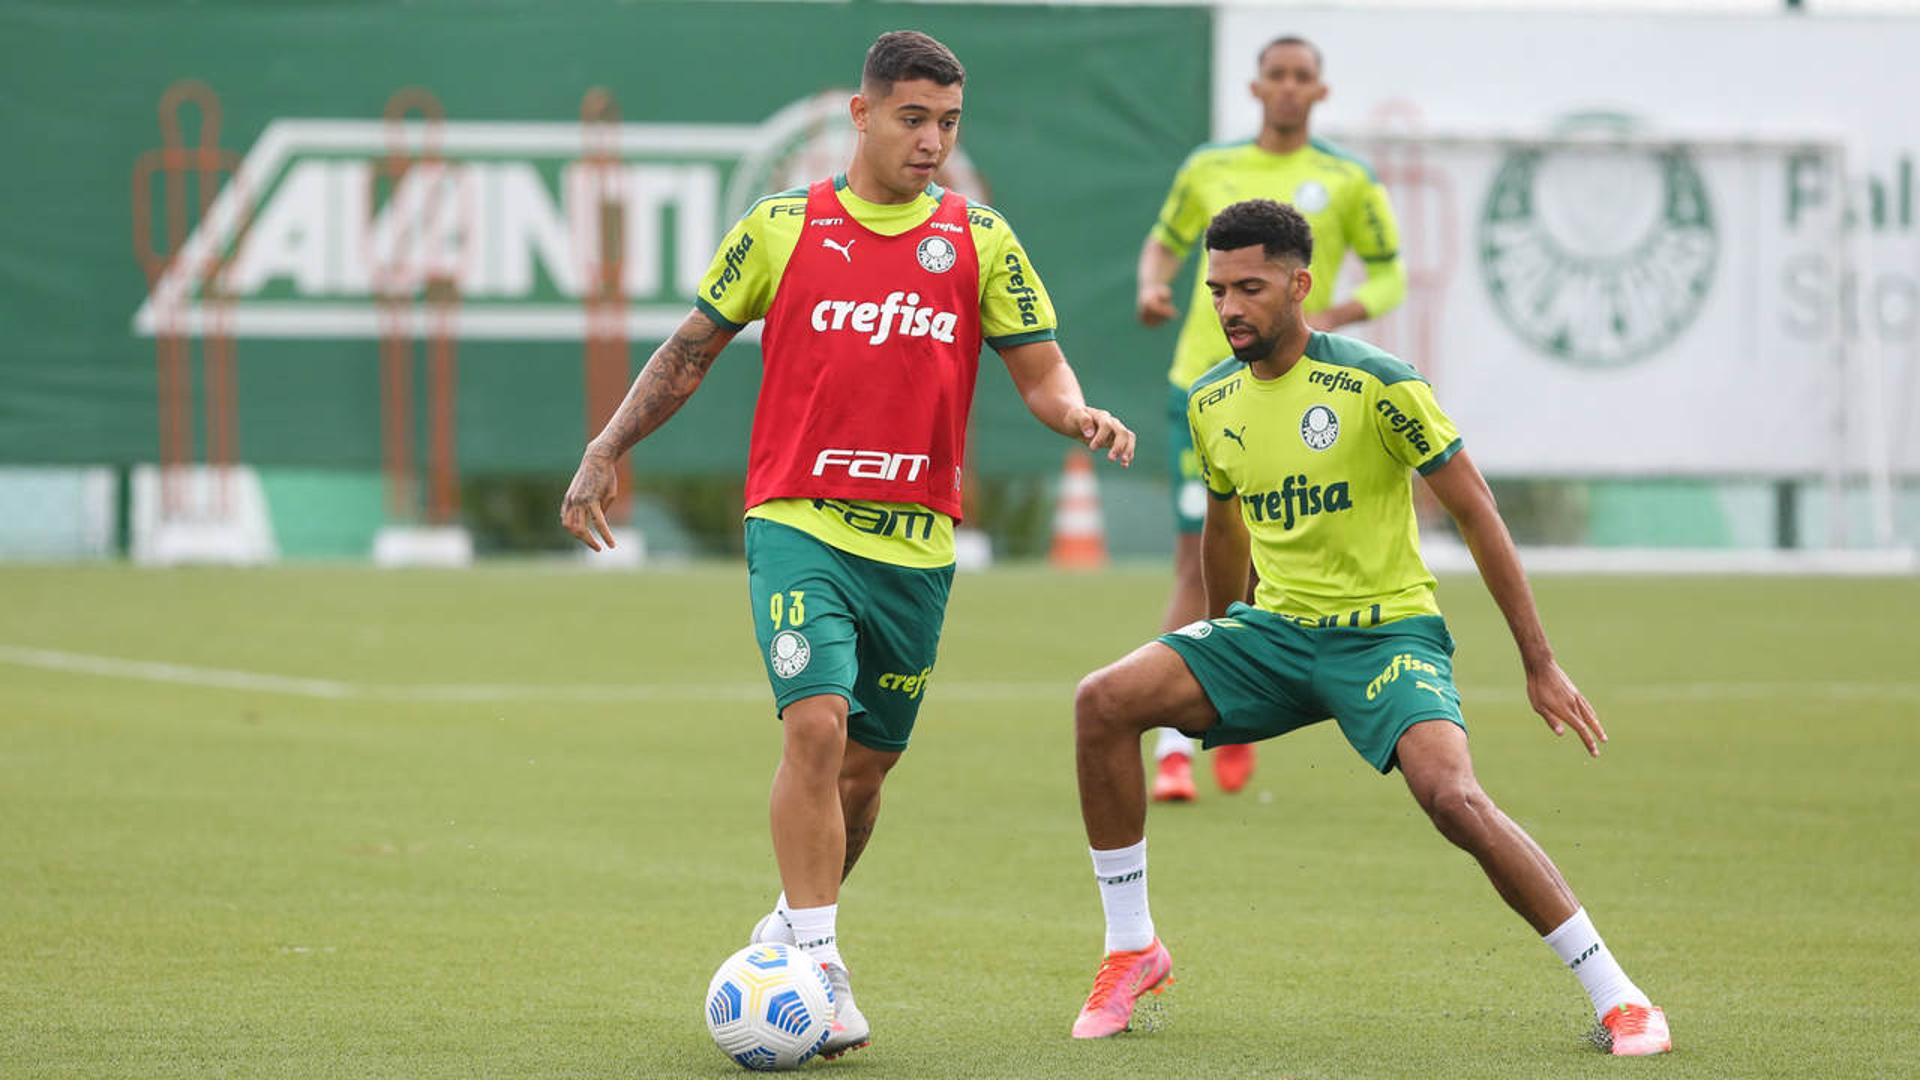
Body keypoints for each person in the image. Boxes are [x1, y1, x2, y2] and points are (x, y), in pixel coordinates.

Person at [560, 30, 1135, 1061]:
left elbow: (1041, 372)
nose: (933, 142)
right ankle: (822, 964)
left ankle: (789, 926)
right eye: (914, 119)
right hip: (799, 522)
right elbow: (689, 354)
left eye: (950, 123)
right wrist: (607, 448)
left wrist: (1077, 413)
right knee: (815, 728)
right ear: (862, 116)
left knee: (864, 778)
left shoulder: (978, 239)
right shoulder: (784, 227)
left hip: (917, 546)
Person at [1068, 200, 1669, 1057]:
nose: (1230, 307)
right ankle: (1132, 948)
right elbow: (1225, 529)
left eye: (1250, 287)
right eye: (1217, 290)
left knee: (1453, 800)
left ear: (1300, 285)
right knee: (1102, 703)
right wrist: (1215, 644)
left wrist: (1539, 662)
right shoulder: (1211, 401)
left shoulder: (1378, 383)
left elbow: (1477, 511)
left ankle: (1620, 996)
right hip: (1272, 636)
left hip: (1387, 637)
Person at [1138, 36, 1408, 802]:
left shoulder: (1347, 180)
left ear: (1319, 92)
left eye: (1303, 78)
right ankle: (1173, 748)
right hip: (1203, 388)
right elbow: (1162, 247)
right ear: (1256, 86)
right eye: (1276, 75)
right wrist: (1152, 287)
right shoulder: (1208, 168)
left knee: (1265, 558)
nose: (1288, 88)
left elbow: (1391, 275)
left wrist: (1328, 312)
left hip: (1301, 392)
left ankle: (1237, 704)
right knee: (1198, 554)